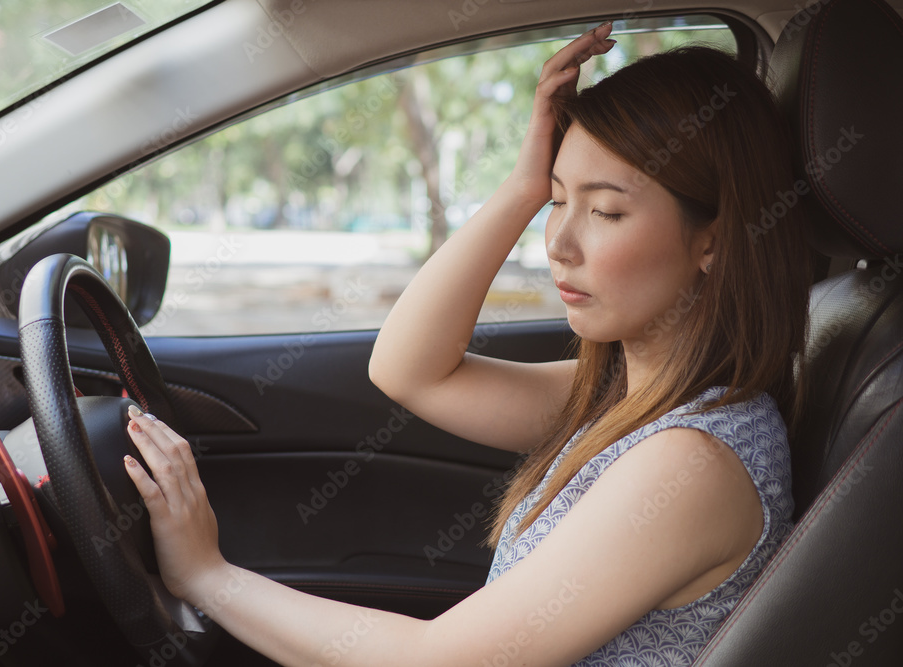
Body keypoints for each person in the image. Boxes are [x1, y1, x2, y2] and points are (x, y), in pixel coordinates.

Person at [123, 20, 811, 666]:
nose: (559, 245)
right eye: (556, 199)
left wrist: (209, 577)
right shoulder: (623, 397)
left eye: (605, 210)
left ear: (713, 239)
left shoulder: (692, 463)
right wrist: (518, 186)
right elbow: (410, 370)